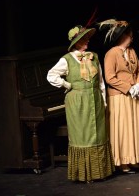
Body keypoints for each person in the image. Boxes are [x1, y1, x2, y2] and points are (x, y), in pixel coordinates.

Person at [47, 25, 115, 182]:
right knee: (82, 136)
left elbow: (101, 82)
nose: (87, 41)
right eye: (83, 39)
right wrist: (67, 85)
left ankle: (100, 172)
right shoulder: (67, 59)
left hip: (95, 100)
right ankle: (85, 174)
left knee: (98, 135)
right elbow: (51, 75)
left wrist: (103, 101)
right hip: (78, 102)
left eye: (87, 38)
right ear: (76, 42)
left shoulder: (94, 56)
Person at [99, 19, 139, 173]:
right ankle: (122, 162)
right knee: (123, 129)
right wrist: (128, 88)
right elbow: (109, 78)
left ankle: (133, 158)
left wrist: (137, 84)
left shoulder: (132, 52)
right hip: (119, 96)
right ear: (123, 36)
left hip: (134, 95)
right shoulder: (111, 54)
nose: (132, 38)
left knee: (134, 127)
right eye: (130, 35)